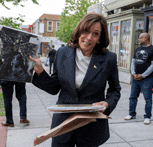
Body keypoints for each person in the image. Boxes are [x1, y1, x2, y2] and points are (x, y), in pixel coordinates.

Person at [30, 13, 121, 147]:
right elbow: (54, 87)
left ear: (100, 38)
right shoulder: (62, 53)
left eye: (95, 34)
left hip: (90, 126)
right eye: (86, 31)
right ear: (79, 31)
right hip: (63, 125)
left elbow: (115, 90)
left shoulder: (109, 59)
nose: (89, 38)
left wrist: (107, 104)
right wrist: (40, 72)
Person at [124, 33, 153, 125]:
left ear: (146, 38)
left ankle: (147, 116)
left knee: (148, 99)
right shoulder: (138, 49)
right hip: (135, 78)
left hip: (147, 79)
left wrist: (143, 75)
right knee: (132, 97)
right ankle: (131, 114)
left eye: (140, 38)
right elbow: (133, 62)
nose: (139, 39)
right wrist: (133, 73)